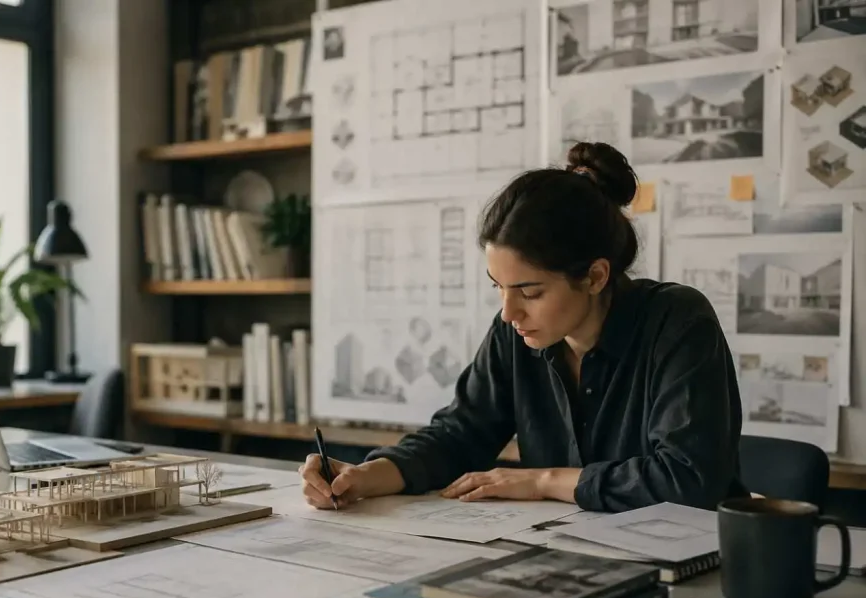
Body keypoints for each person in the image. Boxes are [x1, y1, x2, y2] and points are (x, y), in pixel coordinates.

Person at [300, 141, 748, 513]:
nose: (508, 312)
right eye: (498, 287)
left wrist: (543, 481)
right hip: (570, 552)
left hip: (689, 563)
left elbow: (689, 480)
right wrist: (367, 475)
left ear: (595, 276)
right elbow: (462, 433)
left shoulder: (678, 322)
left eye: (530, 292)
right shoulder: (515, 332)